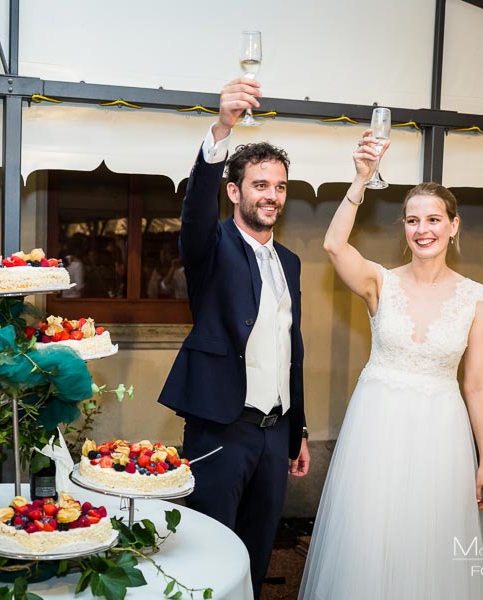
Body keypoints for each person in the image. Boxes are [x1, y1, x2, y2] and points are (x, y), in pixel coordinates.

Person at [298, 131, 483, 599]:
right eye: (412, 220)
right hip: (378, 430)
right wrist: (360, 180)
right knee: (372, 539)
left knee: (430, 543)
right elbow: (333, 246)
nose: (422, 229)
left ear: (454, 226)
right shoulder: (379, 283)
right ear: (404, 229)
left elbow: (478, 385)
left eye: (433, 219)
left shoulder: (476, 299)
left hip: (441, 435)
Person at [158, 77, 310, 598]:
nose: (271, 196)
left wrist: (299, 429)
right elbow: (196, 208)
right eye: (260, 185)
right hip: (221, 428)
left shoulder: (288, 261)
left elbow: (292, 347)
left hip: (274, 434)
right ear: (235, 191)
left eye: (280, 187)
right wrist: (222, 127)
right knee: (210, 552)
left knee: (257, 552)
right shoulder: (211, 245)